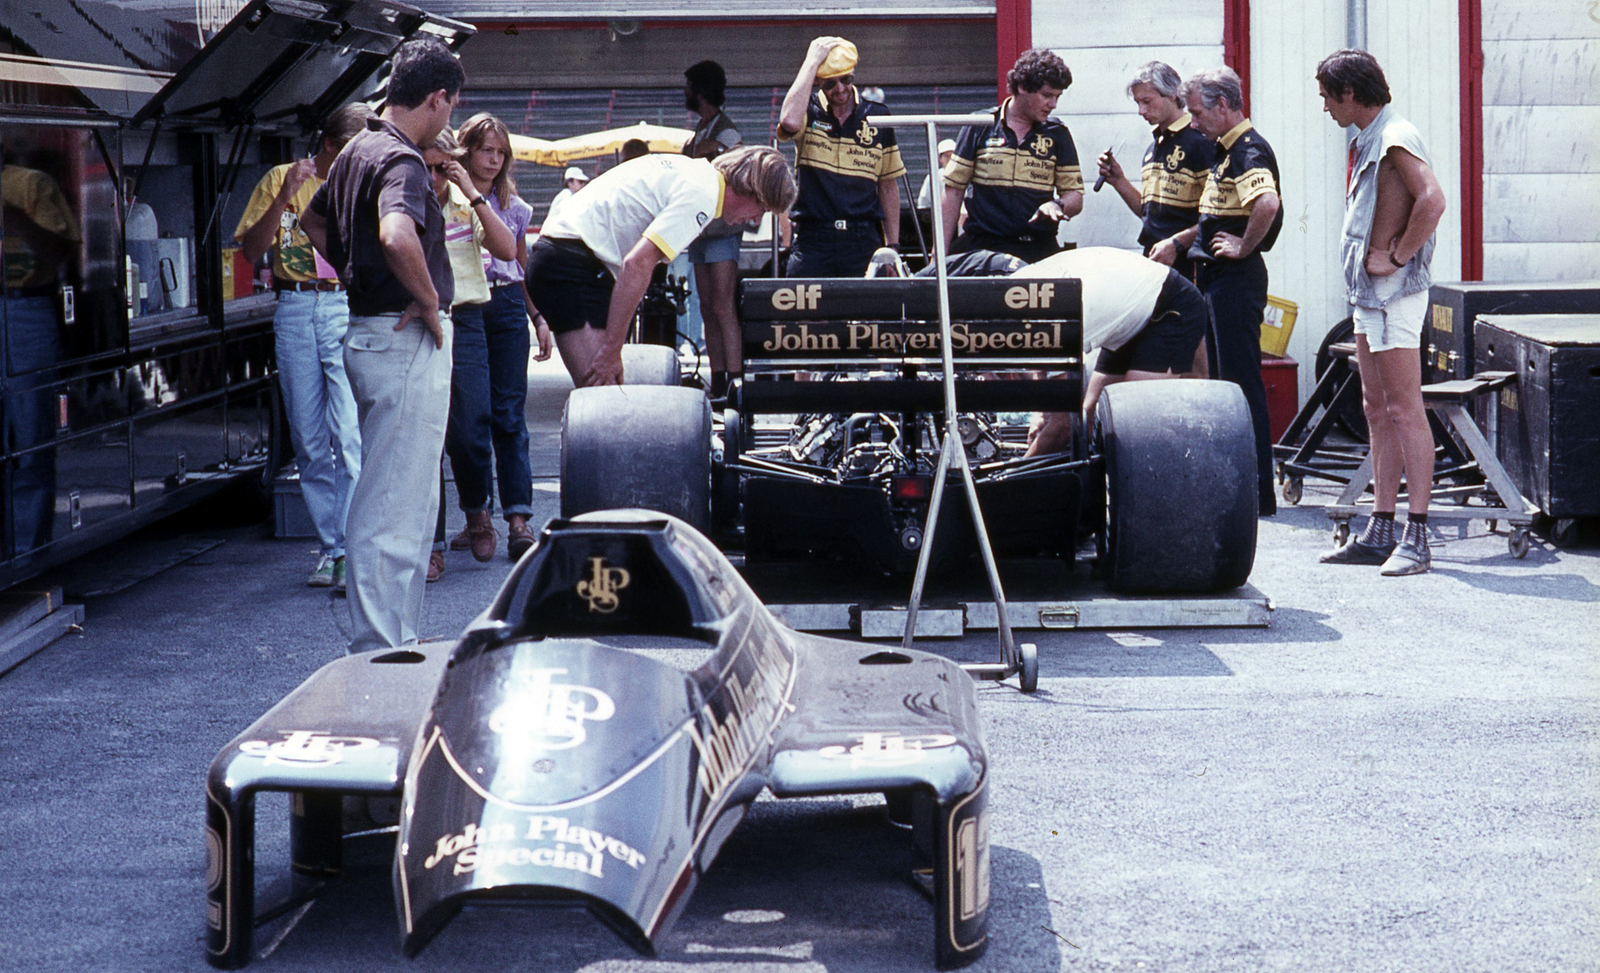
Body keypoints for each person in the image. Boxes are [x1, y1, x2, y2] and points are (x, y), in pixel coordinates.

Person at [299, 38, 463, 654]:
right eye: (452, 105)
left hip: (368, 329)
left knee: (404, 497)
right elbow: (397, 235)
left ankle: (395, 635)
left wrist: (352, 269)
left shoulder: (358, 146)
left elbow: (314, 220)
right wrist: (422, 296)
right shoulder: (402, 159)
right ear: (439, 98)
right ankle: (380, 643)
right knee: (396, 502)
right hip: (401, 334)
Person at [1315, 50, 1446, 575]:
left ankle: (1417, 536)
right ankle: (1381, 528)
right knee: (1374, 407)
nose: (1324, 106)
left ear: (1349, 92)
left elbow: (1432, 201)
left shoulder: (1396, 135)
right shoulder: (1370, 138)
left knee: (1404, 408)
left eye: (1327, 95)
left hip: (1393, 294)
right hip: (1369, 296)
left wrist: (1397, 255)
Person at [235, 103, 373, 590]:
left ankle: (354, 547)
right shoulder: (281, 177)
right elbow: (252, 253)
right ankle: (331, 548)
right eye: (351, 148)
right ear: (331, 145)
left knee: (349, 434)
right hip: (294, 304)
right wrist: (286, 196)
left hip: (341, 304)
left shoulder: (361, 179)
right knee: (309, 436)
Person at [524, 146, 796, 389]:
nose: (756, 218)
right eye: (762, 207)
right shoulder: (702, 196)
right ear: (749, 186)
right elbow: (637, 264)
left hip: (572, 258)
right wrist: (611, 350)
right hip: (571, 262)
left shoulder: (697, 173)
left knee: (605, 402)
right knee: (602, 399)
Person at [441, 113, 552, 570]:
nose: (493, 159)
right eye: (486, 150)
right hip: (465, 305)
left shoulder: (514, 206)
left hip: (504, 304)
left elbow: (521, 266)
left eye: (500, 152)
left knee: (509, 414)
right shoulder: (444, 193)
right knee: (470, 419)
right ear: (465, 151)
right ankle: (477, 512)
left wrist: (538, 317)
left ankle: (519, 520)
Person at [1173, 67, 1282, 516]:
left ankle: (1257, 491)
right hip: (1215, 278)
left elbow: (1268, 203)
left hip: (1236, 280)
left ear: (1223, 105)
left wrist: (1243, 245)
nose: (1193, 122)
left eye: (1198, 112)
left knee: (1240, 384)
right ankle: (1239, 483)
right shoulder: (1224, 150)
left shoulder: (1248, 149)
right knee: (1223, 382)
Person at [419, 128, 518, 579]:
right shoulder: (405, 198)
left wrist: (473, 192)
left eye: (444, 168)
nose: (437, 177)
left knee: (472, 429)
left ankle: (477, 509)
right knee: (426, 437)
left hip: (469, 319)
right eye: (430, 167)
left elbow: (507, 249)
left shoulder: (465, 201)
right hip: (421, 318)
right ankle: (430, 542)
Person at [1009, 247, 1208, 456]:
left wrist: (1009, 479)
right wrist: (1039, 415)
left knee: (1131, 424)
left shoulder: (1043, 325)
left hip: (1168, 303)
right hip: (1127, 313)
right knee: (1089, 416)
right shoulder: (1014, 297)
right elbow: (1044, 370)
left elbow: (1063, 427)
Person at [776, 37, 904, 278]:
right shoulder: (807, 111)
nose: (840, 88)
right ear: (817, 83)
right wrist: (811, 62)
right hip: (813, 237)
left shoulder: (877, 116)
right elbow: (789, 122)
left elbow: (888, 185)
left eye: (846, 79)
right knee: (802, 314)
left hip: (863, 238)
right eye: (830, 84)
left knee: (870, 314)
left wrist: (892, 246)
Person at [941, 49, 1082, 264]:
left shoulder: (1057, 134)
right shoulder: (980, 125)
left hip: (1038, 249)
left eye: (1057, 97)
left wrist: (1058, 205)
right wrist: (937, 256)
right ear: (1023, 87)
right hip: (983, 249)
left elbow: (1075, 196)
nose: (1053, 104)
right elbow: (953, 191)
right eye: (1047, 95)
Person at [1095, 61, 1214, 285]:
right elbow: (1150, 216)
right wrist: (1119, 182)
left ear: (1172, 95)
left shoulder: (1199, 142)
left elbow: (1218, 215)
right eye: (1138, 103)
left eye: (1147, 102)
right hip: (1155, 258)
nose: (1141, 111)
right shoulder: (1154, 147)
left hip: (1189, 262)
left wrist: (1177, 243)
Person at [681, 59, 745, 398]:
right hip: (702, 229)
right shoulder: (701, 128)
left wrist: (714, 150)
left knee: (723, 305)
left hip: (722, 230)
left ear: (701, 90)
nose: (685, 92)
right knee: (707, 306)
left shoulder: (724, 128)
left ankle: (735, 379)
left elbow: (740, 157)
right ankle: (718, 377)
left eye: (689, 86)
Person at [916, 138, 956, 210]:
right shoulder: (933, 178)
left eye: (952, 156)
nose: (950, 159)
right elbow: (923, 204)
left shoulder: (964, 176)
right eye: (947, 156)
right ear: (940, 159)